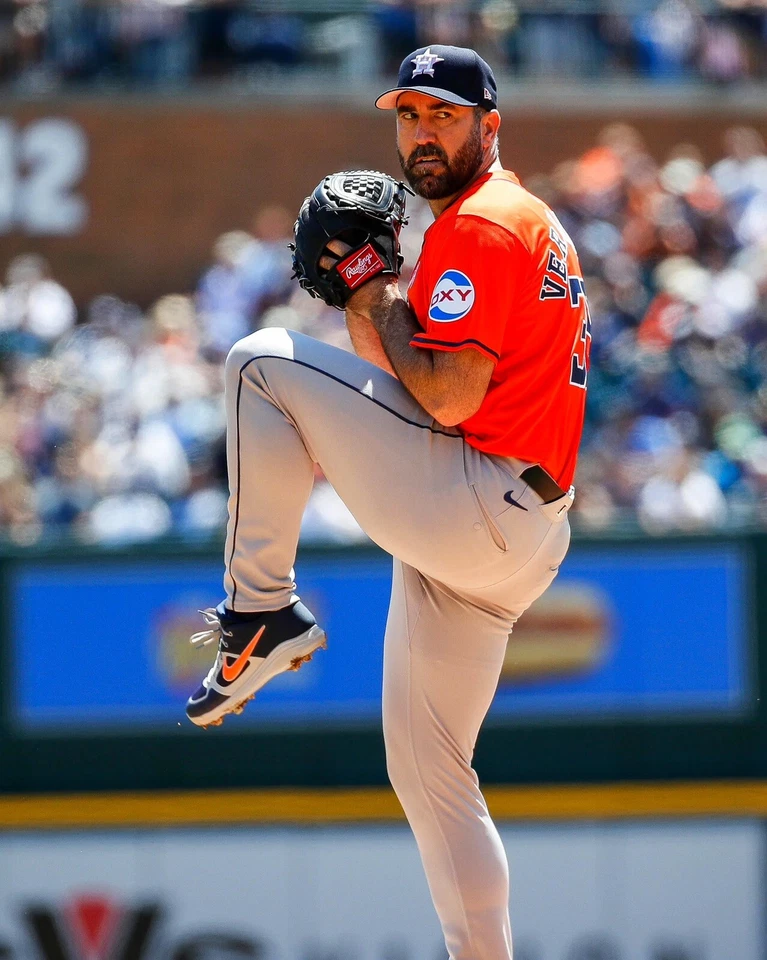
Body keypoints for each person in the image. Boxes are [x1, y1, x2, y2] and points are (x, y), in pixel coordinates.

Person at [186, 44, 590, 960]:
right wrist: (375, 299)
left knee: (257, 364)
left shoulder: (483, 222)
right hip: (515, 528)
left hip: (477, 498)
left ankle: (260, 615)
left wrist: (369, 288)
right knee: (429, 773)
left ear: (490, 126)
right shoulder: (518, 221)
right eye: (407, 114)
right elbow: (430, 391)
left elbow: (444, 398)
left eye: (442, 115)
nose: (419, 133)